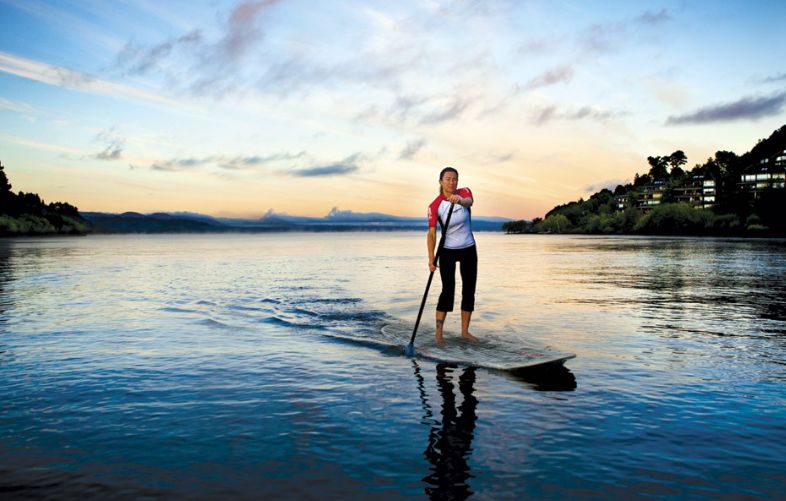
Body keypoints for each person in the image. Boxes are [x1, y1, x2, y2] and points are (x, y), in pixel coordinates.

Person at [427, 167, 478, 346]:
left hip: (468, 248)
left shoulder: (464, 193)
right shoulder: (435, 206)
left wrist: (460, 201)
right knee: (448, 291)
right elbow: (432, 233)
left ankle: (465, 332)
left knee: (469, 289)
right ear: (440, 181)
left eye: (455, 179)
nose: (452, 182)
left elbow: (469, 202)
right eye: (448, 179)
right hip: (447, 250)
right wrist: (431, 258)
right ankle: (439, 334)